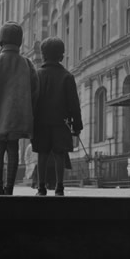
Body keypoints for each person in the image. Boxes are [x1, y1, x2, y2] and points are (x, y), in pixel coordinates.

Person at [0, 21, 39, 196]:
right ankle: (9, 188)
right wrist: (29, 110)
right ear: (19, 42)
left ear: (0, 42)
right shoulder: (27, 64)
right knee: (13, 149)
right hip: (19, 117)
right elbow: (36, 91)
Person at [32, 37, 83, 197]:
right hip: (61, 123)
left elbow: (32, 100)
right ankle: (60, 187)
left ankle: (41, 188)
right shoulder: (67, 76)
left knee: (42, 153)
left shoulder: (37, 75)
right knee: (60, 154)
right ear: (61, 56)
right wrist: (77, 125)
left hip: (40, 123)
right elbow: (74, 104)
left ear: (43, 55)